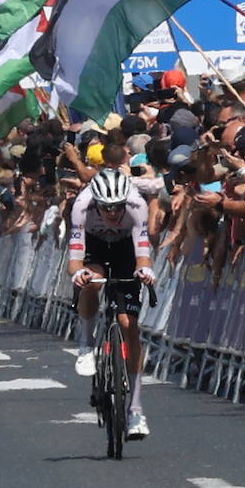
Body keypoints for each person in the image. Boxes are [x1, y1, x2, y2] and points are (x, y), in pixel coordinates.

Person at [68, 167, 155, 439]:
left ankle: (136, 411)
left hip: (124, 249)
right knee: (91, 282)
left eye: (117, 207)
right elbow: (74, 259)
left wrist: (146, 271)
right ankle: (85, 345)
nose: (113, 213)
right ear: (96, 202)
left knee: (128, 324)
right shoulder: (81, 206)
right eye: (106, 208)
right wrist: (78, 274)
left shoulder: (137, 205)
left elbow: (142, 252)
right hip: (94, 245)